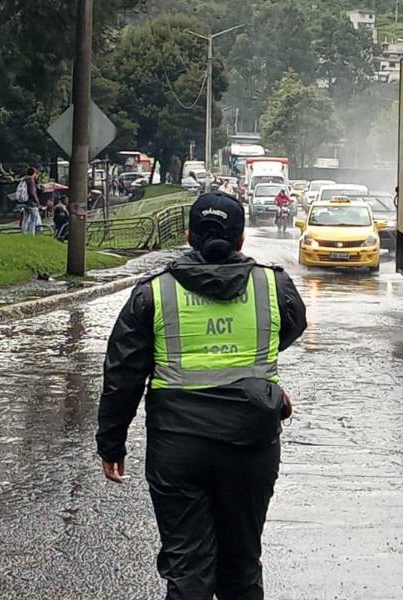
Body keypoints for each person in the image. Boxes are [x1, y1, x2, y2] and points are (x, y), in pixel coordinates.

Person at [96, 191, 307, 600]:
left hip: (178, 449)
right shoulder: (273, 286)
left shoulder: (152, 294)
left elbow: (123, 374)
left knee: (188, 569)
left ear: (189, 236)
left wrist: (111, 442)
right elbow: (288, 331)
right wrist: (260, 382)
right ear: (241, 239)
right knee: (241, 566)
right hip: (251, 445)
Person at [20, 167, 42, 234]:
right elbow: (32, 192)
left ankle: (24, 233)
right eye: (36, 173)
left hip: (25, 202)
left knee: (25, 219)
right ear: (34, 173)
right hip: (32, 203)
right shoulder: (31, 181)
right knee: (33, 219)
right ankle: (31, 233)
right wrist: (37, 201)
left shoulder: (24, 180)